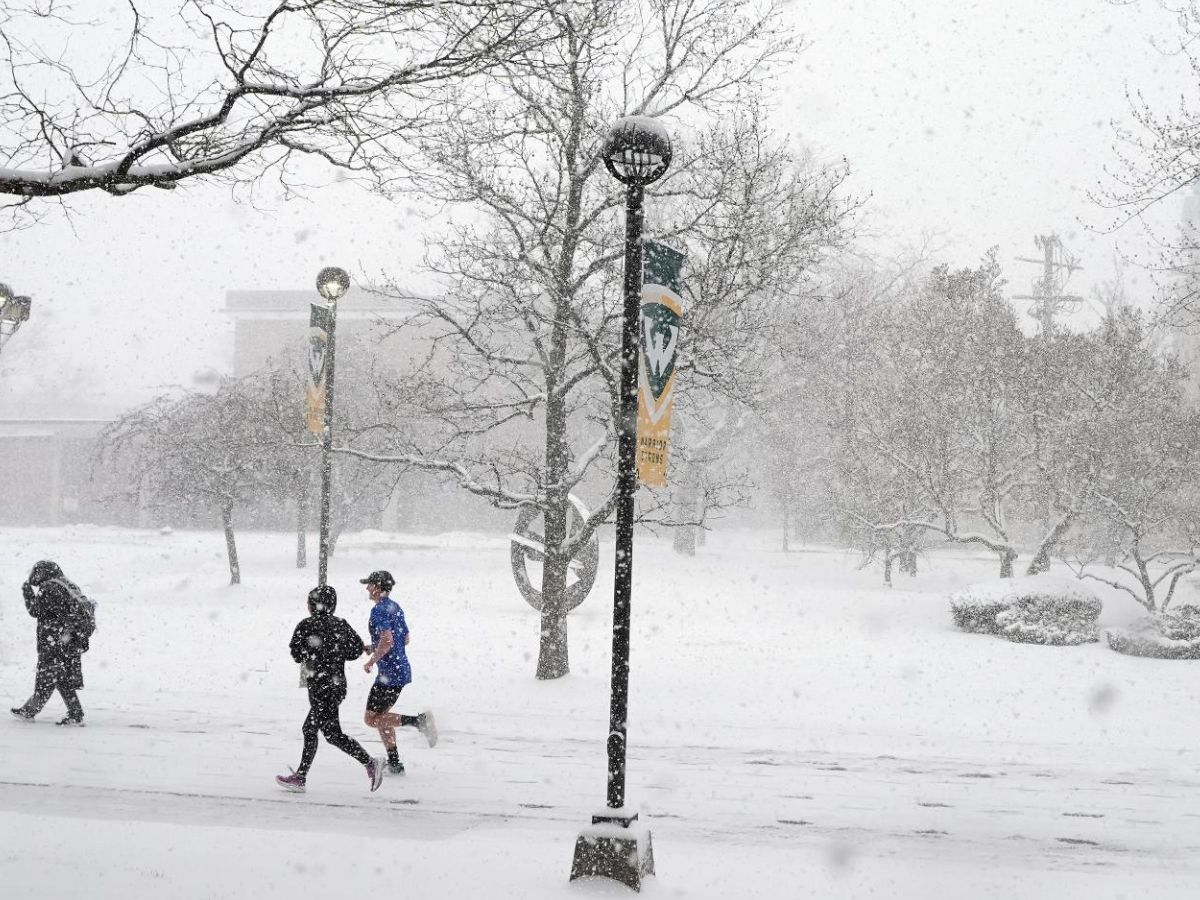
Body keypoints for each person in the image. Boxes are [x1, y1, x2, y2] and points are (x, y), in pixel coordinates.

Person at [276, 585, 384, 794]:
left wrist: (312, 651)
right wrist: (336, 650)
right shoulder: (340, 624)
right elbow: (355, 650)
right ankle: (370, 763)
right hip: (336, 686)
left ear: (313, 604)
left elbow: (296, 654)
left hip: (320, 688)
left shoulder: (306, 625)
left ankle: (301, 777)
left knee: (311, 729)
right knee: (332, 734)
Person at [360, 569, 437, 776]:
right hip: (400, 670)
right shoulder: (395, 607)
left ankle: (419, 722)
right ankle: (394, 763)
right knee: (382, 717)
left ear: (377, 587)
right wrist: (373, 647)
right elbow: (405, 639)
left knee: (371, 719)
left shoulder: (378, 610)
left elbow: (388, 641)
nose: (367, 589)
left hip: (389, 675)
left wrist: (371, 660)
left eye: (369, 585)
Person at [11, 560, 91, 726]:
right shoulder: (68, 585)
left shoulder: (49, 588)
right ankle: (75, 714)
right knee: (61, 677)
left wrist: (27, 592)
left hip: (55, 641)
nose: (34, 576)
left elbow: (35, 611)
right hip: (69, 640)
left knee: (46, 676)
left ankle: (29, 711)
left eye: (36, 573)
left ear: (43, 573)